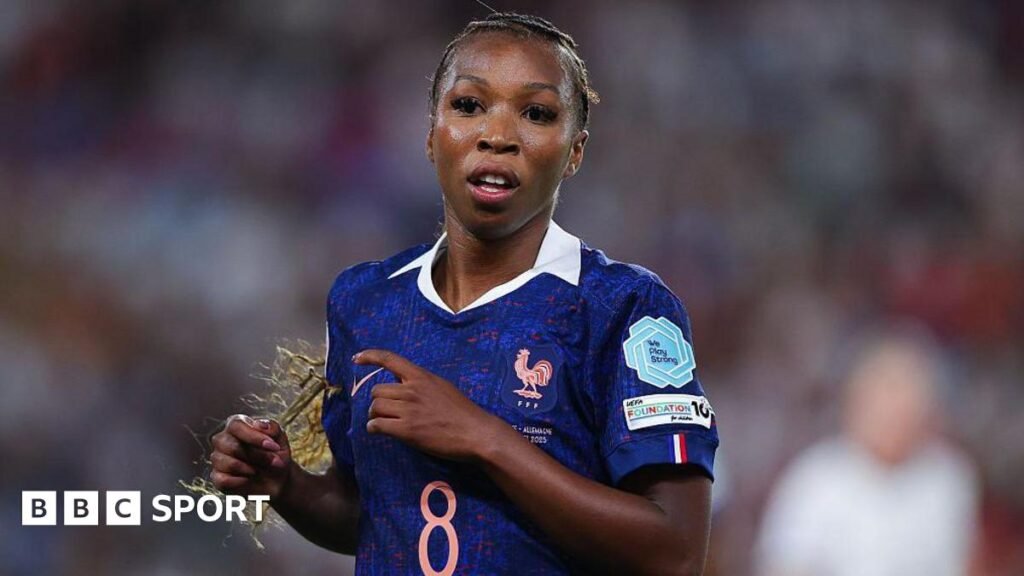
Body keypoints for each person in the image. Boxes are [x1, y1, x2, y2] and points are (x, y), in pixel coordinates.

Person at [210, 13, 719, 575]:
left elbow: (674, 553)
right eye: (469, 105)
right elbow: (376, 517)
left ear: (574, 151)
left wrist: (485, 439)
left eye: (537, 113)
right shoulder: (364, 302)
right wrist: (287, 486)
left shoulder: (622, 308)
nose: (497, 136)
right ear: (431, 134)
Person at [755, 329, 978, 576]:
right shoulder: (815, 478)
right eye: (882, 403)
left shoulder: (947, 478)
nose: (893, 419)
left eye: (904, 406)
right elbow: (784, 567)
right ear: (855, 405)